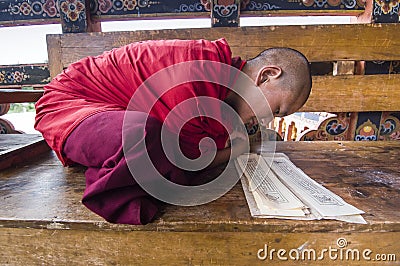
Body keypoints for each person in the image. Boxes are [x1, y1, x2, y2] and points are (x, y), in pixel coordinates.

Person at [35, 38, 312, 225]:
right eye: (276, 110)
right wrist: (238, 149)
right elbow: (187, 159)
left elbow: (202, 141)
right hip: (72, 105)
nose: (267, 121)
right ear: (266, 75)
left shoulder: (223, 92)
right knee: (144, 135)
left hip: (113, 116)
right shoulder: (200, 68)